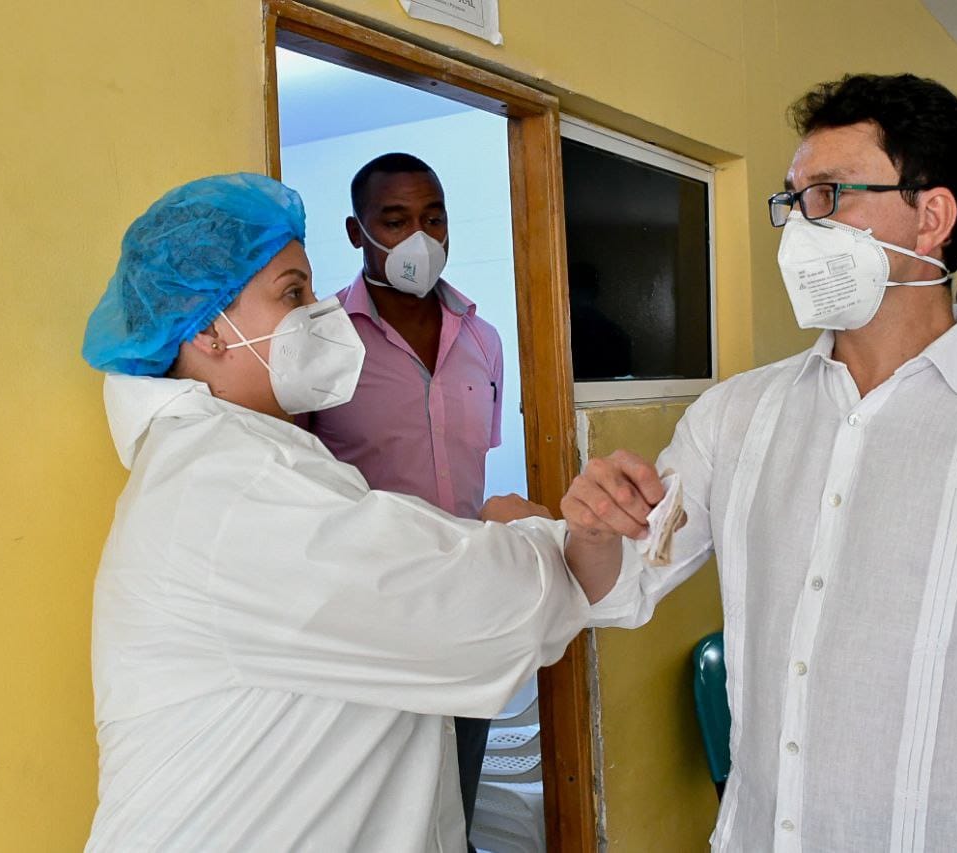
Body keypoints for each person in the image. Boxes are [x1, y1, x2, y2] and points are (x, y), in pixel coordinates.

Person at [562, 74, 957, 851]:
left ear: (931, 218)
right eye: (791, 200)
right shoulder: (735, 416)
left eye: (828, 194)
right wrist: (593, 526)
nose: (797, 227)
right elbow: (624, 585)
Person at [78, 173, 594, 851]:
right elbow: (468, 614)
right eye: (292, 292)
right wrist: (528, 536)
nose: (318, 311)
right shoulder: (236, 486)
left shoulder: (240, 458)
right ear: (206, 327)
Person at [307, 153, 502, 843]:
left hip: (468, 610)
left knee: (461, 801)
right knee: (384, 815)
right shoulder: (318, 342)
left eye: (433, 218)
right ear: (358, 233)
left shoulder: (484, 339)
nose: (420, 237)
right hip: (369, 620)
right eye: (395, 220)